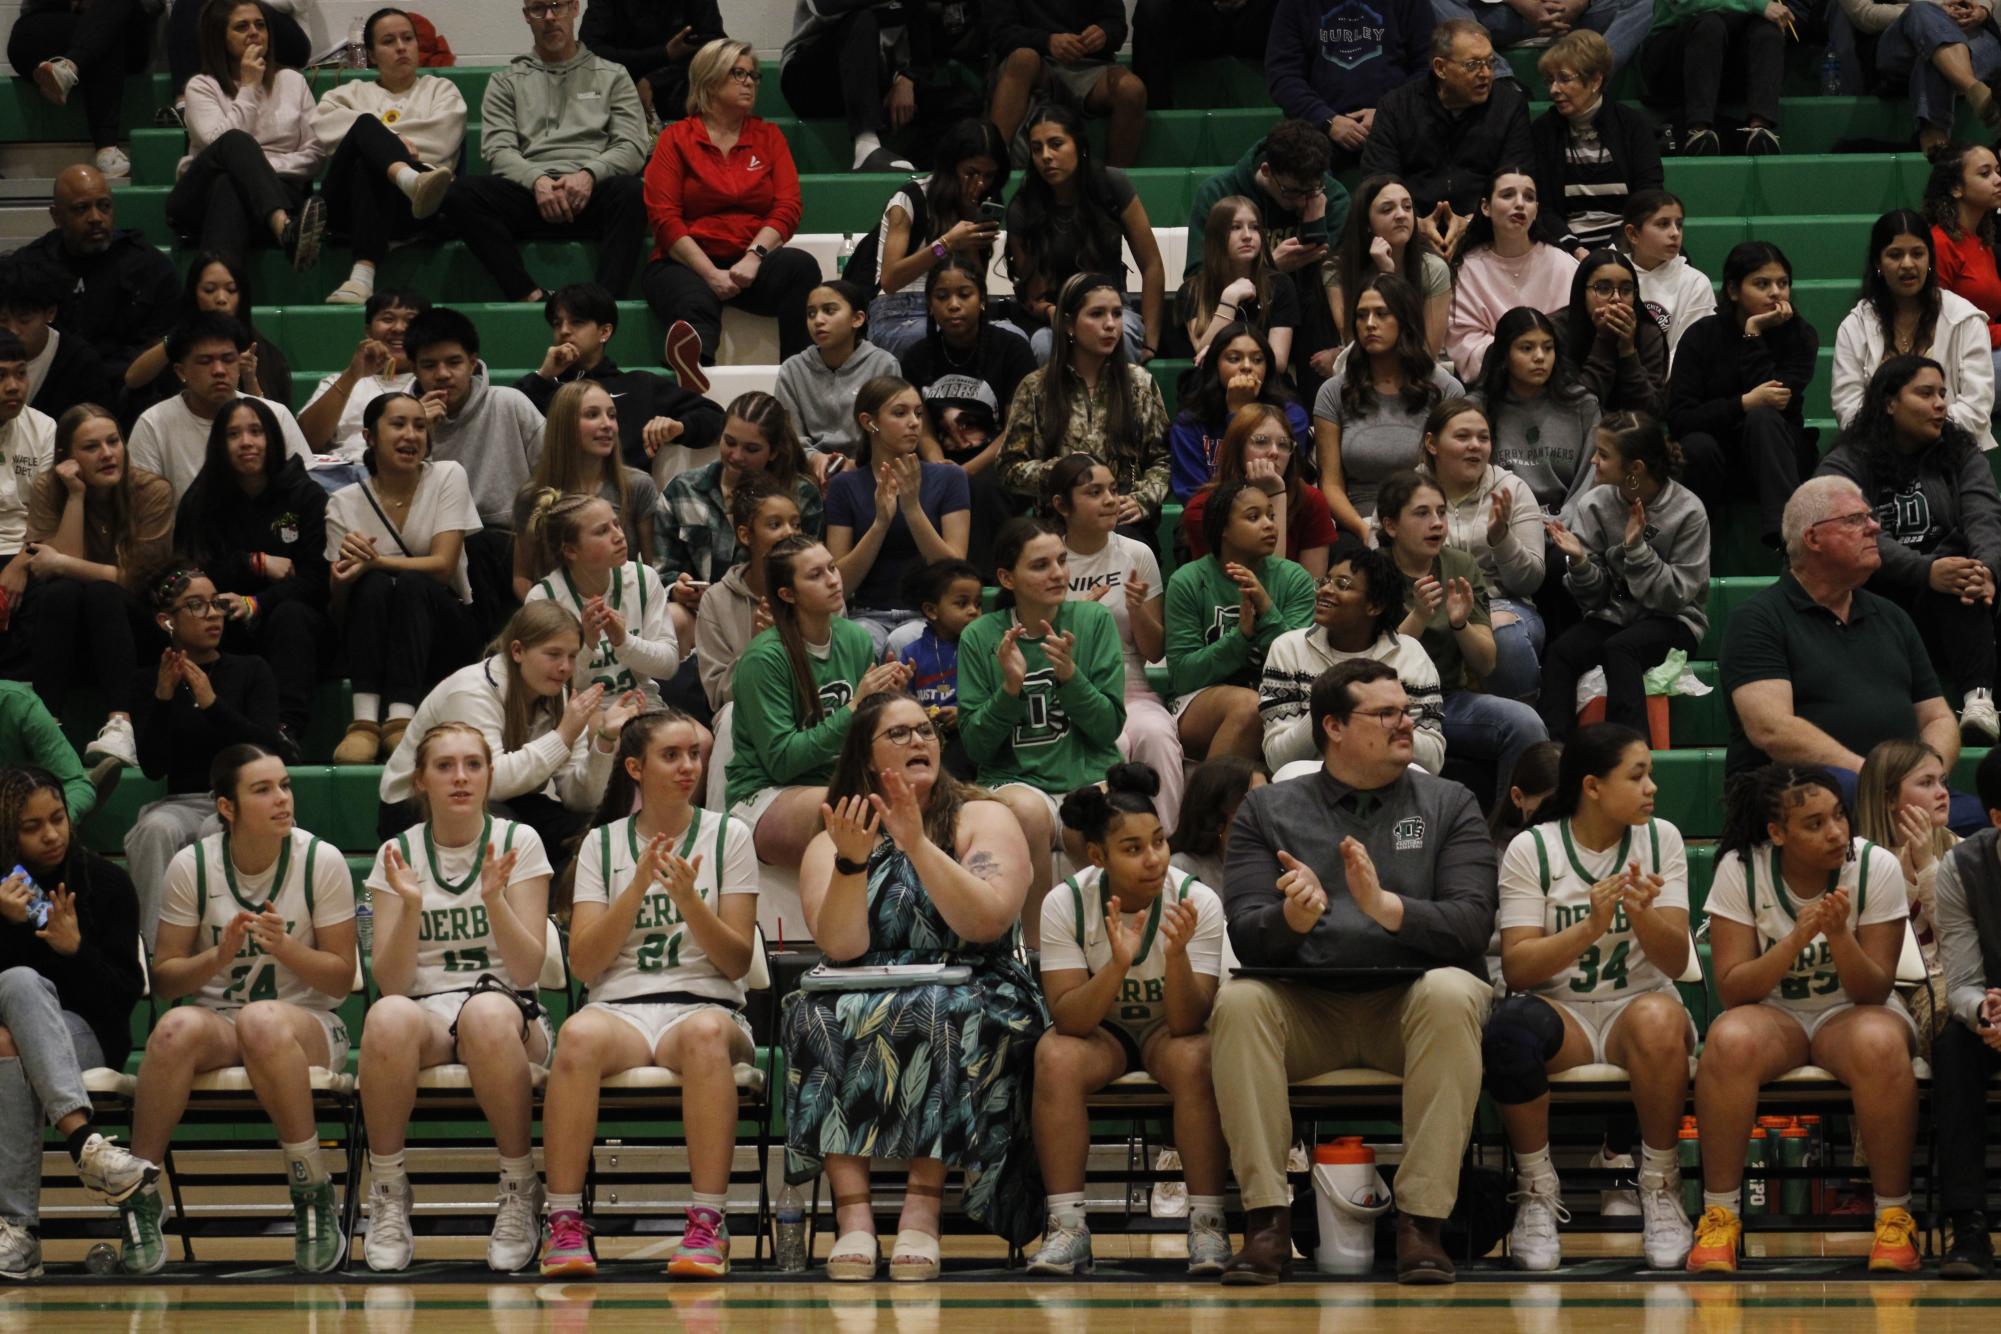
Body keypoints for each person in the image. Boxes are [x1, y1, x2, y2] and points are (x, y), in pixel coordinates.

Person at [1209, 657, 1497, 1284]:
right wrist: (1295, 918)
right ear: (1334, 727)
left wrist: (1387, 909)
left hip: (1410, 1008)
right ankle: (1266, 1222)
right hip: (1309, 1009)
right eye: (1388, 714)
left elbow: (1473, 925)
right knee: (1239, 1004)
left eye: (1410, 712)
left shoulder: (1451, 803)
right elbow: (1248, 934)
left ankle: (1422, 1227)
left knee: (1453, 991)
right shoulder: (1269, 811)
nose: (1407, 725)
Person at [786, 690, 1045, 1273]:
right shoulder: (832, 838)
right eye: (898, 734)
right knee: (811, 1013)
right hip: (866, 982)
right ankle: (852, 1218)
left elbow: (985, 921)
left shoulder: (984, 816)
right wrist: (852, 865)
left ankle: (921, 1212)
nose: (920, 740)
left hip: (977, 981)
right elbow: (841, 946)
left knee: (938, 1007)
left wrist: (918, 845)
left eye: (925, 729)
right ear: (864, 755)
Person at [113, 744, 359, 1276]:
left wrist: (286, 948)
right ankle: (140, 1190)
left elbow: (341, 979)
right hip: (222, 1024)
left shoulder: (321, 859)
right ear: (226, 807)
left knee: (261, 1018)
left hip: (309, 1022)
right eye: (263, 789)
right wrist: (219, 956)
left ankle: (311, 1189)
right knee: (175, 1028)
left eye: (285, 785)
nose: (282, 799)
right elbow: (165, 980)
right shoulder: (191, 866)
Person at [539, 707, 759, 1278]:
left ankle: (708, 1223)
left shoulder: (728, 834)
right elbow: (584, 963)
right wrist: (636, 885)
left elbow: (737, 960)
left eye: (694, 754)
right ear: (634, 767)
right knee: (577, 1034)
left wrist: (689, 902)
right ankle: (562, 1222)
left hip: (707, 1005)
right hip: (620, 1010)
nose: (688, 766)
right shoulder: (602, 847)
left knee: (707, 1035)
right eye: (672, 755)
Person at [1687, 764, 1921, 1274]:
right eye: (1814, 824)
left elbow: (1875, 988)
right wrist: (1796, 937)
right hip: (1775, 1015)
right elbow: (1733, 989)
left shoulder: (1874, 865)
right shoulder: (1741, 867)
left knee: (1882, 1044)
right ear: (1778, 833)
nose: (1836, 831)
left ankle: (1893, 1218)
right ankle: (1720, 1217)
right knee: (1726, 1041)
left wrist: (1838, 936)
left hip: (1856, 1011)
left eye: (1838, 816)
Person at [1482, 723, 1693, 1270]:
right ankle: (1535, 1191)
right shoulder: (1533, 847)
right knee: (1509, 1032)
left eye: (1651, 775)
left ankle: (1659, 1183)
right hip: (1563, 1014)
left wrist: (1642, 915)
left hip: (1637, 1005)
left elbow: (1675, 962)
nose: (1652, 788)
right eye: (1638, 775)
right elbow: (1519, 968)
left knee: (1661, 1022)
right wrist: (1591, 926)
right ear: (1593, 786)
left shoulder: (1661, 839)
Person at [359, 722, 555, 1274]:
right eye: (445, 766)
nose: (461, 777)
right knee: (386, 1016)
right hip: (424, 1011)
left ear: (490, 775)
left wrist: (494, 899)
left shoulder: (520, 842)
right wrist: (412, 908)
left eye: (473, 764)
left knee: (487, 1015)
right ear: (420, 780)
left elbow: (525, 969)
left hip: (508, 1011)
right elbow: (393, 983)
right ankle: (390, 1191)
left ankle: (519, 1189)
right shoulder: (397, 853)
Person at [1027, 763, 1230, 1276]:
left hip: (1169, 1028)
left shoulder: (1197, 899)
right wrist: (1117, 964)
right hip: (1102, 1031)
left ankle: (1208, 1225)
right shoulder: (1064, 903)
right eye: (1133, 848)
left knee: (1198, 1056)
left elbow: (1188, 1023)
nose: (1153, 858)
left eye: (1158, 842)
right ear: (1098, 856)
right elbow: (1070, 1019)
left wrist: (1177, 957)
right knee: (1054, 1055)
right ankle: (1068, 1228)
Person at [1721, 476, 1974, 829]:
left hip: (1894, 791)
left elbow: (1937, 718)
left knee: (1981, 819)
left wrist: (1926, 778)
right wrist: (1873, 778)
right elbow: (1771, 729)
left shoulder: (1892, 617)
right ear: (1812, 538)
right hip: (1799, 790)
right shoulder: (1758, 619)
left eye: (1870, 517)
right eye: (1855, 520)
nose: (1874, 527)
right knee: (1847, 797)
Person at [0, 765, 151, 1281]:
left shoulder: (106, 884)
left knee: (12, 1022)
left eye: (58, 818)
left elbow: (123, 999)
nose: (50, 835)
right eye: (31, 826)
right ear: (8, 833)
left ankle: (19, 1234)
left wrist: (75, 950)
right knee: (13, 1007)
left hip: (89, 1035)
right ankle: (85, 1144)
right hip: (13, 1042)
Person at [1817, 355, 2001, 741]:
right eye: (1925, 393)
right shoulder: (1848, 460)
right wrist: (1926, 571)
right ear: (1889, 402)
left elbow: (1984, 516)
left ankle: (1979, 700)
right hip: (1880, 595)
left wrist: (1986, 570)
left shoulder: (1962, 452)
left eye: (1942, 394)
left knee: (1964, 577)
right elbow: (1850, 533)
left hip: (1952, 596)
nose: (1940, 404)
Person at [378, 602, 644, 859]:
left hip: (505, 799)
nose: (565, 667)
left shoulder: (557, 695)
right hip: (414, 804)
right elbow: (488, 782)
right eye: (553, 654)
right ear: (517, 651)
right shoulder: (472, 690)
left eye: (572, 656)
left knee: (588, 835)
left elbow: (579, 800)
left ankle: (557, 904)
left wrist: (605, 742)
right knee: (511, 834)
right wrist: (563, 736)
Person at [958, 519, 1128, 895]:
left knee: (1104, 818)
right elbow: (975, 747)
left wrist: (1070, 677)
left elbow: (1108, 727)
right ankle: (1033, 951)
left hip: (1089, 774)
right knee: (1025, 813)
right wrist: (1010, 689)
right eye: (1040, 565)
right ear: (1006, 578)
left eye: (1062, 561)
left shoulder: (1093, 620)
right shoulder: (980, 635)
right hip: (1015, 779)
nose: (1058, 574)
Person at [440, 0, 648, 303]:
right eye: (538, 9)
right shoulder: (505, 81)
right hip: (532, 195)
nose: (550, 17)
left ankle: (602, 306)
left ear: (575, 9)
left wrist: (588, 175)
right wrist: (538, 181)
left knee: (632, 192)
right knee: (460, 194)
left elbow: (632, 145)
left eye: (557, 6)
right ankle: (528, 294)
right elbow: (498, 150)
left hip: (593, 192)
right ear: (527, 16)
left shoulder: (613, 74)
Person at [123, 566, 286, 946]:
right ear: (167, 621)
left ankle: (226, 946)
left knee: (217, 829)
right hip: (181, 801)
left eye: (215, 603)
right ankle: (154, 952)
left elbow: (268, 751)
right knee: (154, 829)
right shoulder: (147, 680)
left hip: (240, 801)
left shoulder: (251, 669)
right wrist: (163, 698)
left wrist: (211, 704)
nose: (212, 614)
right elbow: (153, 766)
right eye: (195, 606)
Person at [642, 37, 822, 378]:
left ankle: (799, 379)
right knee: (696, 303)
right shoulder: (675, 138)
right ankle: (692, 382)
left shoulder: (768, 137)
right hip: (685, 261)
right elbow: (664, 218)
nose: (749, 82)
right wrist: (710, 274)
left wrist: (754, 258)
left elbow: (787, 206)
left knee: (801, 268)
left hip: (748, 259)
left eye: (753, 76)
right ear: (710, 80)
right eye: (738, 74)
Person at [323, 392, 484, 765]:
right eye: (398, 424)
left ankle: (400, 721)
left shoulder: (448, 475)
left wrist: (375, 561)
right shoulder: (342, 502)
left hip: (445, 630)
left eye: (419, 426)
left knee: (410, 583)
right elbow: (339, 604)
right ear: (369, 437)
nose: (411, 435)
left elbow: (443, 567)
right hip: (373, 633)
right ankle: (363, 723)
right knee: (374, 585)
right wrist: (345, 575)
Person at [724, 536, 900, 869]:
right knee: (852, 808)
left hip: (841, 781)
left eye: (832, 568)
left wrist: (888, 700)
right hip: (767, 793)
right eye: (815, 575)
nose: (833, 579)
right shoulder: (764, 659)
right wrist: (854, 706)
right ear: (787, 595)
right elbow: (782, 760)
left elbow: (866, 736)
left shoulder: (856, 639)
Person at [20, 404, 174, 771]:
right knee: (62, 593)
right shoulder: (50, 488)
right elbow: (54, 575)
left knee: (104, 593)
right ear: (65, 458)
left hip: (138, 633)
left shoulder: (152, 491)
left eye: (113, 442)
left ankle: (121, 725)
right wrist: (74, 495)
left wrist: (62, 562)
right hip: (73, 633)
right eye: (91, 447)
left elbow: (139, 581)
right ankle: (48, 725)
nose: (107, 454)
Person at [174, 398, 333, 752]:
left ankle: (285, 728)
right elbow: (192, 569)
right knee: (198, 615)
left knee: (292, 617)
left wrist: (257, 602)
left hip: (295, 619)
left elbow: (316, 580)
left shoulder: (305, 495)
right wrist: (252, 563)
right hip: (224, 612)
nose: (246, 442)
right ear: (220, 445)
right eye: (234, 434)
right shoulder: (201, 500)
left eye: (256, 431)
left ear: (272, 438)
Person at [1379, 469, 1550, 792]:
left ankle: (1510, 831)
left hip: (1447, 699)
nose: (1437, 523)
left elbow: (1486, 663)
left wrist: (1460, 624)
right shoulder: (1371, 570)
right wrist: (1418, 616)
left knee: (1525, 723)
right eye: (1422, 513)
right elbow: (1374, 664)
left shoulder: (1460, 565)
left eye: (1441, 513)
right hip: (1384, 703)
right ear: (1390, 526)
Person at [1542, 413, 1710, 739]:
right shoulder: (1594, 505)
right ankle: (1556, 758)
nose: (1593, 460)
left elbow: (1676, 596)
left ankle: (1630, 756)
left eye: (1603, 455)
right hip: (1616, 613)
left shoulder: (1688, 511)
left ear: (1635, 469)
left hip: (1674, 620)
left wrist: (1637, 551)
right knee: (1561, 652)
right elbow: (1595, 598)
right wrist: (1579, 562)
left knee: (1621, 648)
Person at [1047, 454, 1182, 824]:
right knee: (1114, 743)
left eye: (1113, 489)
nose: (1111, 499)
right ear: (1062, 505)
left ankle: (1167, 840)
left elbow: (1154, 652)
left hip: (1132, 687)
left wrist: (1137, 610)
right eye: (1095, 491)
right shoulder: (1047, 559)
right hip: (1072, 692)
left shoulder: (1137, 554)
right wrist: (1079, 621)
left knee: (1156, 734)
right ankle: (1108, 848)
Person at [1668, 240, 1818, 548]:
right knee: (1696, 446)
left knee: (1763, 418)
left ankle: (1785, 537)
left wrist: (1753, 333)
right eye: (1762, 284)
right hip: (1717, 459)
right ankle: (1693, 543)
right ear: (1734, 291)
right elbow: (1682, 419)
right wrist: (1743, 404)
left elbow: (1775, 402)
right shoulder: (1700, 336)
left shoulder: (1800, 336)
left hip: (1777, 454)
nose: (1776, 292)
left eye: (1782, 283)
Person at [310, 7, 465, 305]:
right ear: (371, 53)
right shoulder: (349, 93)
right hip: (347, 209)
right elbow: (323, 131)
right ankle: (408, 179)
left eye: (408, 38)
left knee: (367, 151)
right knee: (365, 126)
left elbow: (442, 142)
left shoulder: (441, 89)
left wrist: (375, 145)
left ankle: (361, 276)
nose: (401, 47)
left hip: (417, 208)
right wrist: (391, 141)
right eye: (389, 41)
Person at [996, 273, 1173, 527]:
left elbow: (1164, 460)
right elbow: (1008, 468)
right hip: (1058, 524)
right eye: (1097, 314)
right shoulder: (1036, 388)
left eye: (1117, 314)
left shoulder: (1139, 384)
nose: (1110, 324)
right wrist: (1059, 472)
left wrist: (1143, 498)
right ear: (1068, 324)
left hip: (1121, 521)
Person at [1183, 121, 1349, 385]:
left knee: (1319, 296)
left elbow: (1334, 281)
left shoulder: (1333, 198)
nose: (1302, 202)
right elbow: (1197, 277)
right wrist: (1269, 267)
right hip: (1241, 313)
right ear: (1266, 170)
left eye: (1312, 191)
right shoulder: (1218, 192)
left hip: (1311, 319)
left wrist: (1315, 223)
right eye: (1293, 192)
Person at [1166, 479, 1318, 767]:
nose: (1269, 525)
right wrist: (1239, 639)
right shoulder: (1187, 580)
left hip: (1279, 694)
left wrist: (1266, 607)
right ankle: (1202, 808)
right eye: (1253, 517)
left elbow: (1300, 667)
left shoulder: (1294, 578)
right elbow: (1183, 676)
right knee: (1250, 705)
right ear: (1222, 528)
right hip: (1199, 699)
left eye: (1271, 516)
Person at [1260, 539, 1446, 773]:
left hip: (1388, 775)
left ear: (1374, 606)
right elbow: (1279, 760)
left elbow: (1433, 761)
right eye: (1326, 581)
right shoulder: (1288, 649)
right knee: (1290, 774)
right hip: (1315, 778)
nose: (1326, 590)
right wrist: (1327, 703)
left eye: (1342, 584)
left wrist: (1379, 718)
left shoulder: (1410, 656)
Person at [901, 258, 1038, 569]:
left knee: (983, 487)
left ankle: (979, 579)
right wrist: (938, 464)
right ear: (930, 304)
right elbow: (919, 424)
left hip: (1000, 462)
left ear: (982, 299)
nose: (953, 305)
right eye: (942, 296)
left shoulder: (1011, 349)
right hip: (936, 461)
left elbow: (1016, 428)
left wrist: (966, 471)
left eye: (964, 294)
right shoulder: (917, 356)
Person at [165, 0, 325, 267]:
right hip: (197, 198)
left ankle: (217, 293)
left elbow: (316, 153)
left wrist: (255, 171)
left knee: (228, 185)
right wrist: (249, 87)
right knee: (235, 143)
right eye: (242, 27)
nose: (254, 32)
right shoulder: (201, 87)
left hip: (271, 193)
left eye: (260, 25)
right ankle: (283, 228)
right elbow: (217, 145)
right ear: (220, 37)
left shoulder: (292, 81)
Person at [1004, 105, 1166, 365]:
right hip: (1055, 316)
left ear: (1078, 145)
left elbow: (1152, 264)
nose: (1046, 156)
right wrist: (1055, 314)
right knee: (1045, 346)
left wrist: (1152, 341)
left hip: (1111, 307)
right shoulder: (1023, 207)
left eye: (1056, 144)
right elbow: (1032, 294)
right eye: (1037, 148)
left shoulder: (1111, 184)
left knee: (1119, 340)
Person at [515, 284, 725, 479]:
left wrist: (679, 427)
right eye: (557, 323)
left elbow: (715, 417)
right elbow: (504, 420)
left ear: (605, 331)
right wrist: (543, 376)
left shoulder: (639, 385)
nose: (564, 331)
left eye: (577, 322)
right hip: (559, 497)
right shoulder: (543, 387)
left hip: (626, 499)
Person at [826, 377, 972, 655]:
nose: (915, 422)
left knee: (906, 640)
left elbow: (955, 573)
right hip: (866, 615)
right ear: (869, 422)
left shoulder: (950, 477)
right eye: (900, 413)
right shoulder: (844, 486)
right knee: (861, 639)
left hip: (929, 616)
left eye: (918, 413)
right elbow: (838, 585)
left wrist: (912, 509)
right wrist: (880, 524)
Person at [1313, 274, 1463, 538]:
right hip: (1358, 520)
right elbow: (1331, 484)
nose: (1370, 324)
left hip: (1431, 522)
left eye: (1382, 314)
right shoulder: (1333, 392)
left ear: (1405, 321)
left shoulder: (1445, 389)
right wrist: (1364, 530)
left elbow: (1455, 476)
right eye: (1361, 316)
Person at [1360, 19, 1532, 247]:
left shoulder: (1510, 106)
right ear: (1440, 68)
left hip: (1487, 232)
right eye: (1473, 65)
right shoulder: (1397, 107)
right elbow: (1378, 181)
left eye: (1490, 63)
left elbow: (1517, 180)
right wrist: (1416, 226)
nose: (1486, 74)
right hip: (1411, 237)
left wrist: (1472, 223)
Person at [1832, 211, 1995, 452]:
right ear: (1878, 263)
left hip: (1952, 453)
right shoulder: (1855, 325)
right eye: (1895, 255)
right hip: (1877, 456)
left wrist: (1918, 434)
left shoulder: (1965, 319)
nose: (1907, 264)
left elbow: (1976, 410)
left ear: (1930, 259)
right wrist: (1898, 441)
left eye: (1917, 254)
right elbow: (1848, 409)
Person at [1928, 745, 2001, 1278]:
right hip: (1997, 1015)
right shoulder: (1962, 867)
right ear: (1997, 818)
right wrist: (1984, 1013)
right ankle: (1969, 1225)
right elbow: (1961, 982)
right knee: (1954, 1046)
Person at [1419, 398, 1545, 701]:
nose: (1475, 445)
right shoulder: (1408, 491)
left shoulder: (1511, 489)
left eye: (1483, 438)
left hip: (1502, 602)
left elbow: (1529, 581)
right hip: (1427, 604)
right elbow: (1383, 563)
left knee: (1506, 636)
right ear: (1432, 444)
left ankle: (1525, 725)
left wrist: (1501, 539)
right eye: (1462, 437)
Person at [658, 392, 825, 612]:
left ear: (773, 452)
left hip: (775, 612)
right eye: (729, 442)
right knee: (674, 614)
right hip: (701, 615)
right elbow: (662, 569)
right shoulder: (682, 490)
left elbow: (811, 571)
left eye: (751, 449)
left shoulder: (800, 495)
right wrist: (677, 590)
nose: (736, 456)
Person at [856, 122, 1009, 356]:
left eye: (988, 176)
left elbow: (978, 285)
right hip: (900, 310)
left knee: (1012, 340)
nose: (979, 184)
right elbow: (890, 280)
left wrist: (969, 235)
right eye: (971, 173)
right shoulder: (909, 199)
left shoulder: (980, 204)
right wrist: (945, 244)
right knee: (932, 340)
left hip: (957, 307)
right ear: (951, 166)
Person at [15, 165, 178, 383]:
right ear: (56, 216)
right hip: (52, 386)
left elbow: (165, 342)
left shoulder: (150, 267)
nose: (96, 218)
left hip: (131, 387)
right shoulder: (30, 267)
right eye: (81, 209)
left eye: (104, 206)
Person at [126, 314, 310, 501]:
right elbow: (143, 509)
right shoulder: (153, 423)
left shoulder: (276, 415)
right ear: (181, 371)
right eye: (205, 361)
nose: (219, 370)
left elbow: (307, 493)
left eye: (228, 359)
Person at [520, 492, 678, 705]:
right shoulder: (544, 598)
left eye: (617, 524)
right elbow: (550, 686)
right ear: (571, 551)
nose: (619, 536)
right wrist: (587, 645)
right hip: (579, 710)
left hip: (642, 704)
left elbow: (668, 665)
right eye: (602, 531)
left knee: (702, 739)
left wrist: (624, 642)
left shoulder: (644, 578)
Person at [506, 381, 659, 600]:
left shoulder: (638, 485)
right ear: (564, 425)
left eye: (612, 415)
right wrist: (552, 617)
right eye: (592, 414)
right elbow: (522, 577)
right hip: (560, 620)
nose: (608, 425)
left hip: (624, 611)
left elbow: (656, 567)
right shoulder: (533, 495)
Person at [1854, 737, 1957, 1043]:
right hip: (1888, 990)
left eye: (1942, 781)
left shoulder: (1961, 851)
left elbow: (1956, 934)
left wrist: (1927, 865)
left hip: (1948, 980)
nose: (1942, 793)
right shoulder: (1858, 859)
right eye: (1926, 783)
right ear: (1888, 799)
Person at [1528, 31, 1662, 256]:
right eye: (1550, 80)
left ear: (1595, 81)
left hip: (1630, 243)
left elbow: (1648, 195)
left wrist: (1612, 250)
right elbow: (1544, 207)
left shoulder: (1632, 124)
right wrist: (1575, 249)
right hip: (1565, 249)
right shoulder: (1543, 131)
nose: (1554, 90)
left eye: (1564, 78)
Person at [121, 251, 293, 421]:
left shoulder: (265, 353)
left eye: (231, 290)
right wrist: (178, 336)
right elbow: (132, 379)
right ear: (193, 294)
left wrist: (250, 379)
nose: (221, 298)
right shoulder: (176, 343)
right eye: (209, 290)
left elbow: (274, 428)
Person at [1446, 168, 1581, 381]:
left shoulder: (1563, 264)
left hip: (1557, 380)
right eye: (1508, 195)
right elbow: (1465, 345)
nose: (1520, 204)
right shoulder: (1466, 269)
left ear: (1536, 210)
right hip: (1493, 386)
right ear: (1485, 207)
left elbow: (1577, 335)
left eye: (1528, 197)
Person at [1183, 403, 1340, 580]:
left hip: (1292, 606)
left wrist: (1276, 494)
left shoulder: (1311, 501)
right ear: (1237, 449)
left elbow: (1308, 590)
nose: (1274, 452)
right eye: (1261, 441)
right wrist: (1275, 494)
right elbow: (1247, 586)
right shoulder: (1203, 508)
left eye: (1283, 445)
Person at [986, 0, 1149, 168]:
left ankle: (1115, 182)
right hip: (1038, 61)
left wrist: (1103, 34)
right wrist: (1047, 42)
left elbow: (1117, 26)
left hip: (1089, 65)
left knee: (1132, 90)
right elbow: (1000, 33)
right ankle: (991, 164)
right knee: (1023, 59)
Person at [1264, 0, 1428, 163]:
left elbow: (1429, 68)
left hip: (1395, 126)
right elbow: (1283, 76)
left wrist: (1388, 113)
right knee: (1286, 159)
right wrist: (1327, 120)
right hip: (1318, 130)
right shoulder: (1295, 5)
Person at [694, 474, 803, 716]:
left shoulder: (818, 585)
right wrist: (758, 650)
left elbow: (835, 674)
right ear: (745, 535)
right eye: (775, 525)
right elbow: (719, 696)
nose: (790, 533)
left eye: (796, 524)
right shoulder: (716, 599)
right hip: (748, 712)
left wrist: (791, 642)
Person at [1168, 322, 1312, 504]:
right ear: (1215, 365)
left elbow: (1286, 482)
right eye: (1234, 359)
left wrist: (1240, 413)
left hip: (1277, 512)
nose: (1247, 367)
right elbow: (1192, 498)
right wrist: (1237, 414)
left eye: (1257, 360)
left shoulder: (1291, 416)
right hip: (1209, 522)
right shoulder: (1189, 423)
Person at [9, 0, 154, 177]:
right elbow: (32, 7)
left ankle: (69, 70)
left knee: (108, 31)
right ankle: (64, 72)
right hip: (68, 19)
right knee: (22, 33)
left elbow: (153, 5)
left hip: (121, 26)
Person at [773, 280, 902, 460]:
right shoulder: (793, 369)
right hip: (807, 467)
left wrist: (859, 465)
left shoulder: (883, 364)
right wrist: (814, 459)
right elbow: (789, 436)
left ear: (857, 319)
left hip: (868, 466)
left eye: (829, 310)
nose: (818, 320)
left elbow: (889, 431)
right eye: (811, 313)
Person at [295, 289, 427, 461]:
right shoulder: (340, 381)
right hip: (343, 475)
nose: (399, 328)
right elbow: (306, 441)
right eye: (388, 319)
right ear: (368, 331)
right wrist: (352, 374)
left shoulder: (434, 381)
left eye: (410, 321)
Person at [1330, 175, 1452, 356]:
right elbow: (1355, 343)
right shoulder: (1336, 270)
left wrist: (1388, 275)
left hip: (1418, 375)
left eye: (1407, 207)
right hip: (1360, 373)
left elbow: (1428, 352)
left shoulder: (1433, 268)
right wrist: (1384, 275)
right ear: (1366, 223)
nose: (1401, 215)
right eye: (1387, 209)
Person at [1183, 197, 1298, 371]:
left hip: (1267, 388)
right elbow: (1204, 355)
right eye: (1235, 227)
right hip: (1213, 389)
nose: (1247, 236)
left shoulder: (1280, 285)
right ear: (1217, 236)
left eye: (1254, 227)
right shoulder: (1193, 290)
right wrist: (1230, 299)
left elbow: (1279, 362)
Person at [1877, 0, 2001, 152]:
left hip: (1973, 31)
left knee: (1934, 55)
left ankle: (1936, 144)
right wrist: (1936, 14)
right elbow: (1863, 13)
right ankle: (1971, 87)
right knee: (1922, 10)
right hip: (1903, 37)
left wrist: (1982, 10)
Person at [578, 0, 724, 127]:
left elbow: (715, 46)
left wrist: (655, 80)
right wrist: (663, 54)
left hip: (681, 86)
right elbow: (590, 50)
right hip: (620, 85)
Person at [0, 255, 110, 421]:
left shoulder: (80, 363)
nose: (13, 330)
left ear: (50, 313)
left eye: (24, 319)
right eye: (2, 320)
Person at [1924, 143, 2001, 380]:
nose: (1998, 179)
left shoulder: (1981, 242)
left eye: (1998, 170)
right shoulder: (1941, 243)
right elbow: (1939, 327)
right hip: (1955, 363)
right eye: (1985, 173)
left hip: (1983, 351)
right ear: (1957, 188)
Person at [1564, 250, 1668, 418]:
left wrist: (1628, 351)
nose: (1616, 298)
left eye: (1626, 290)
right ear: (1582, 291)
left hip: (1632, 434)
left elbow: (1651, 411)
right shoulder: (1558, 330)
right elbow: (1575, 409)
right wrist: (1604, 341)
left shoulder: (1648, 333)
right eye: (1603, 288)